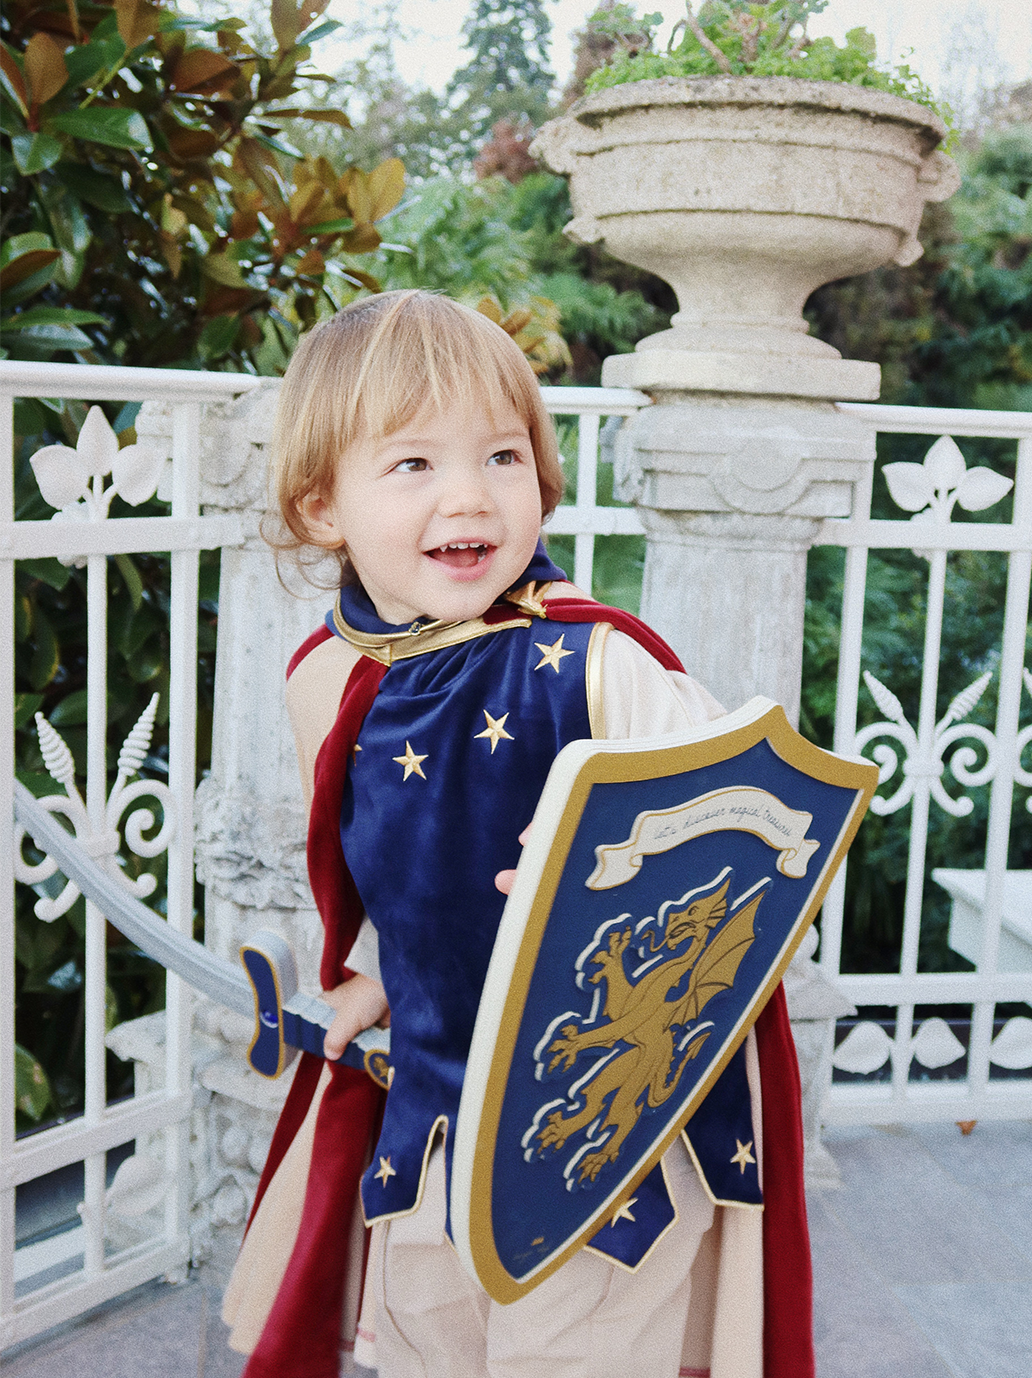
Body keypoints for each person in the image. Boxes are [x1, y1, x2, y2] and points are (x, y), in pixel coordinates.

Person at [221, 290, 813, 1378]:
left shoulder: (597, 662)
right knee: (429, 1349)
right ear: (320, 506)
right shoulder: (332, 680)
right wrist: (373, 980)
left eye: (502, 456)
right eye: (414, 465)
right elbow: (400, 874)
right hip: (435, 1119)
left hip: (594, 1138)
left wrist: (600, 857)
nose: (472, 495)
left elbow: (751, 839)